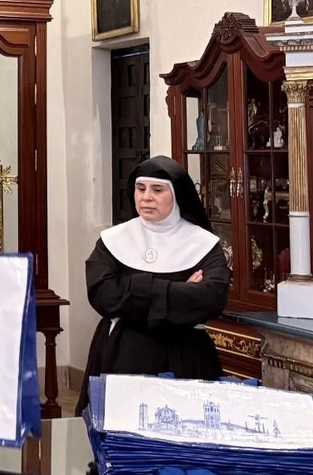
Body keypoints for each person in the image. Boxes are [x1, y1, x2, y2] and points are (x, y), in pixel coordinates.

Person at [75, 156, 231, 415]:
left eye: (157, 190)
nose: (146, 197)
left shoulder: (203, 244)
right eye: (141, 189)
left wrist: (130, 288)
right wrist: (179, 290)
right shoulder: (113, 241)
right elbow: (103, 294)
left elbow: (212, 297)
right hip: (122, 354)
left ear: (177, 195)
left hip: (186, 357)